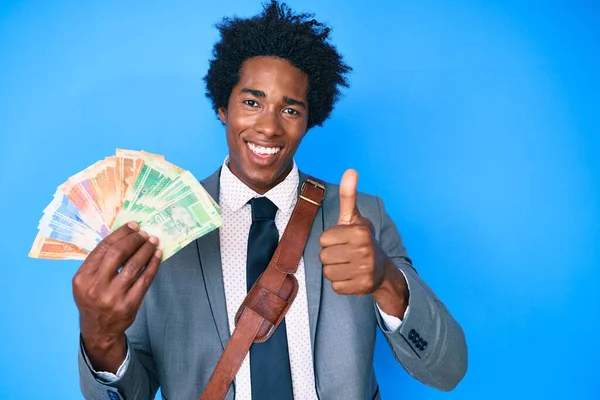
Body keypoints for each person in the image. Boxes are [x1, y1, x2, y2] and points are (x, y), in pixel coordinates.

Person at [73, 1, 468, 399]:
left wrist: (385, 281)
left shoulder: (364, 218)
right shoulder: (159, 226)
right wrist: (100, 337)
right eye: (251, 102)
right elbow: (131, 392)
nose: (268, 126)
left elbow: (448, 369)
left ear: (309, 121)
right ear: (222, 107)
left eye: (290, 109)